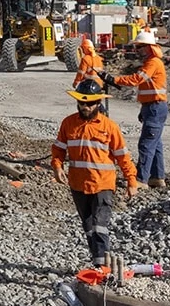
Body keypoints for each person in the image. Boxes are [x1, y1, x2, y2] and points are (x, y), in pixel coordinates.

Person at [52, 79, 138, 268]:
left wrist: (131, 180)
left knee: (100, 225)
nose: (85, 107)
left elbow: (123, 156)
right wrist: (57, 166)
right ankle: (98, 261)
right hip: (78, 184)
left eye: (90, 103)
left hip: (102, 184)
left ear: (98, 103)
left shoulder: (109, 127)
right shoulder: (69, 123)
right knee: (89, 226)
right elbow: (58, 149)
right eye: (82, 103)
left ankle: (102, 268)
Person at [102, 29, 167, 188]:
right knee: (155, 144)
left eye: (140, 47)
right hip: (152, 107)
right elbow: (148, 88)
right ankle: (157, 177)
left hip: (155, 107)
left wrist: (113, 79)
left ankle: (140, 179)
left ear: (148, 47)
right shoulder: (150, 63)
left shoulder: (153, 63)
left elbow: (138, 79)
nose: (137, 50)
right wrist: (143, 109)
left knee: (146, 144)